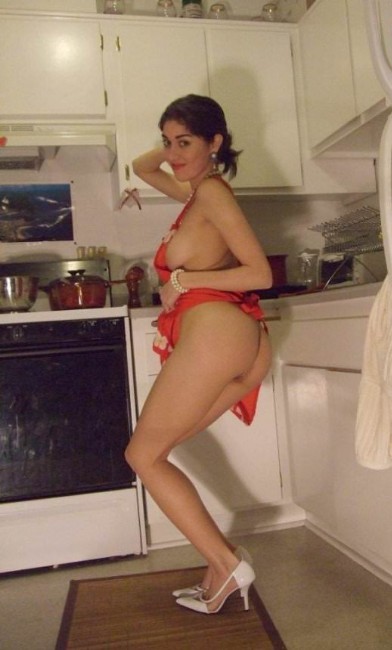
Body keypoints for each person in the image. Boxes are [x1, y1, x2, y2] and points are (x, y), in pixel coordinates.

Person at [125, 94, 273, 615]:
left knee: (142, 456)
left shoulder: (210, 192)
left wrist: (184, 280)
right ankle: (220, 566)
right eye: (168, 142)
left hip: (218, 334)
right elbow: (142, 167)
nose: (171, 154)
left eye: (184, 142)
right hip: (228, 338)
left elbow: (260, 273)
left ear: (216, 142)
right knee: (154, 452)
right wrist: (180, 147)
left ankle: (227, 564)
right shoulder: (195, 192)